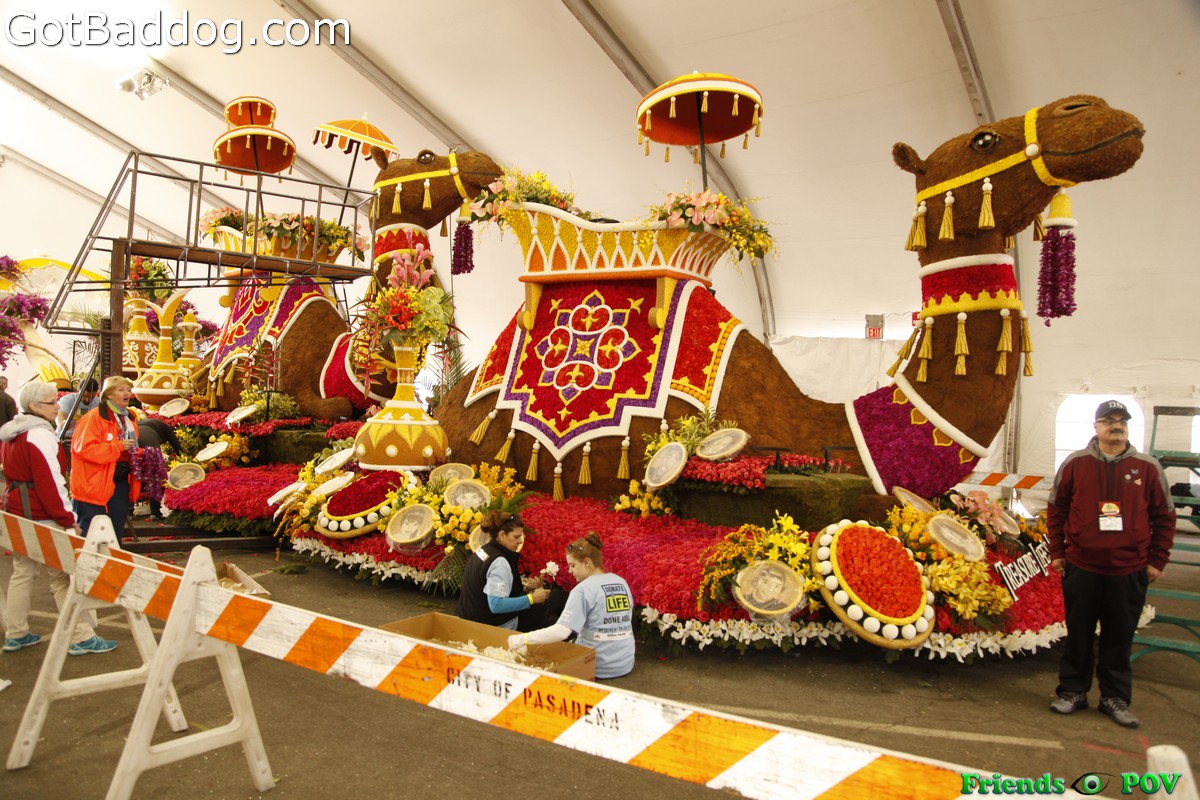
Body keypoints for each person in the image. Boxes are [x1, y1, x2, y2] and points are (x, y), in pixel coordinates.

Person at [1047, 399, 1176, 729]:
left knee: (1119, 637)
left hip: (1129, 569)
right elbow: (1057, 509)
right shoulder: (1075, 464)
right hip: (1082, 566)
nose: (1116, 426)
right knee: (1078, 634)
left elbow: (1165, 517)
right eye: (1108, 420)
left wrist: (1157, 560)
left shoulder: (1147, 468)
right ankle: (1073, 691)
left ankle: (1114, 698)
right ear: (1096, 426)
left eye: (1122, 421)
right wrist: (1057, 552)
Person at [2, 381, 118, 656]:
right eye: (51, 402)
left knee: (23, 572)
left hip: (18, 511)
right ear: (34, 406)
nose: (57, 406)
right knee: (63, 577)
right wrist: (67, 518)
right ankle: (82, 636)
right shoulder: (39, 435)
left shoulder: (12, 433)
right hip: (42, 515)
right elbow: (50, 482)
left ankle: (16, 632)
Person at [508, 532, 635, 679]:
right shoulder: (620, 582)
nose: (569, 571)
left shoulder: (583, 589)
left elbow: (562, 631)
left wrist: (522, 639)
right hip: (625, 663)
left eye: (573, 565)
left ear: (586, 563)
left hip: (596, 666)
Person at [70, 376, 142, 539]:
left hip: (119, 483)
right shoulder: (93, 418)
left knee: (114, 535)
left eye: (128, 390)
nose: (127, 393)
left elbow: (131, 448)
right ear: (108, 394)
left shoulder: (129, 418)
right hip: (93, 487)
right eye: (121, 390)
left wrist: (143, 455)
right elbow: (85, 449)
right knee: (91, 537)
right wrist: (118, 446)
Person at [455, 510, 550, 631]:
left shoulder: (483, 550)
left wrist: (526, 590)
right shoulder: (499, 562)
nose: (520, 541)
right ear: (501, 535)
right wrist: (531, 598)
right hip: (486, 626)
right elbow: (496, 605)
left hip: (466, 617)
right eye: (516, 537)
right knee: (540, 607)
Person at [56, 377, 99, 442]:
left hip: (85, 439)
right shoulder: (68, 399)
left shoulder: (97, 402)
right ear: (79, 391)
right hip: (66, 438)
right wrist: (62, 423)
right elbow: (60, 414)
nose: (87, 400)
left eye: (91, 397)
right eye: (84, 396)